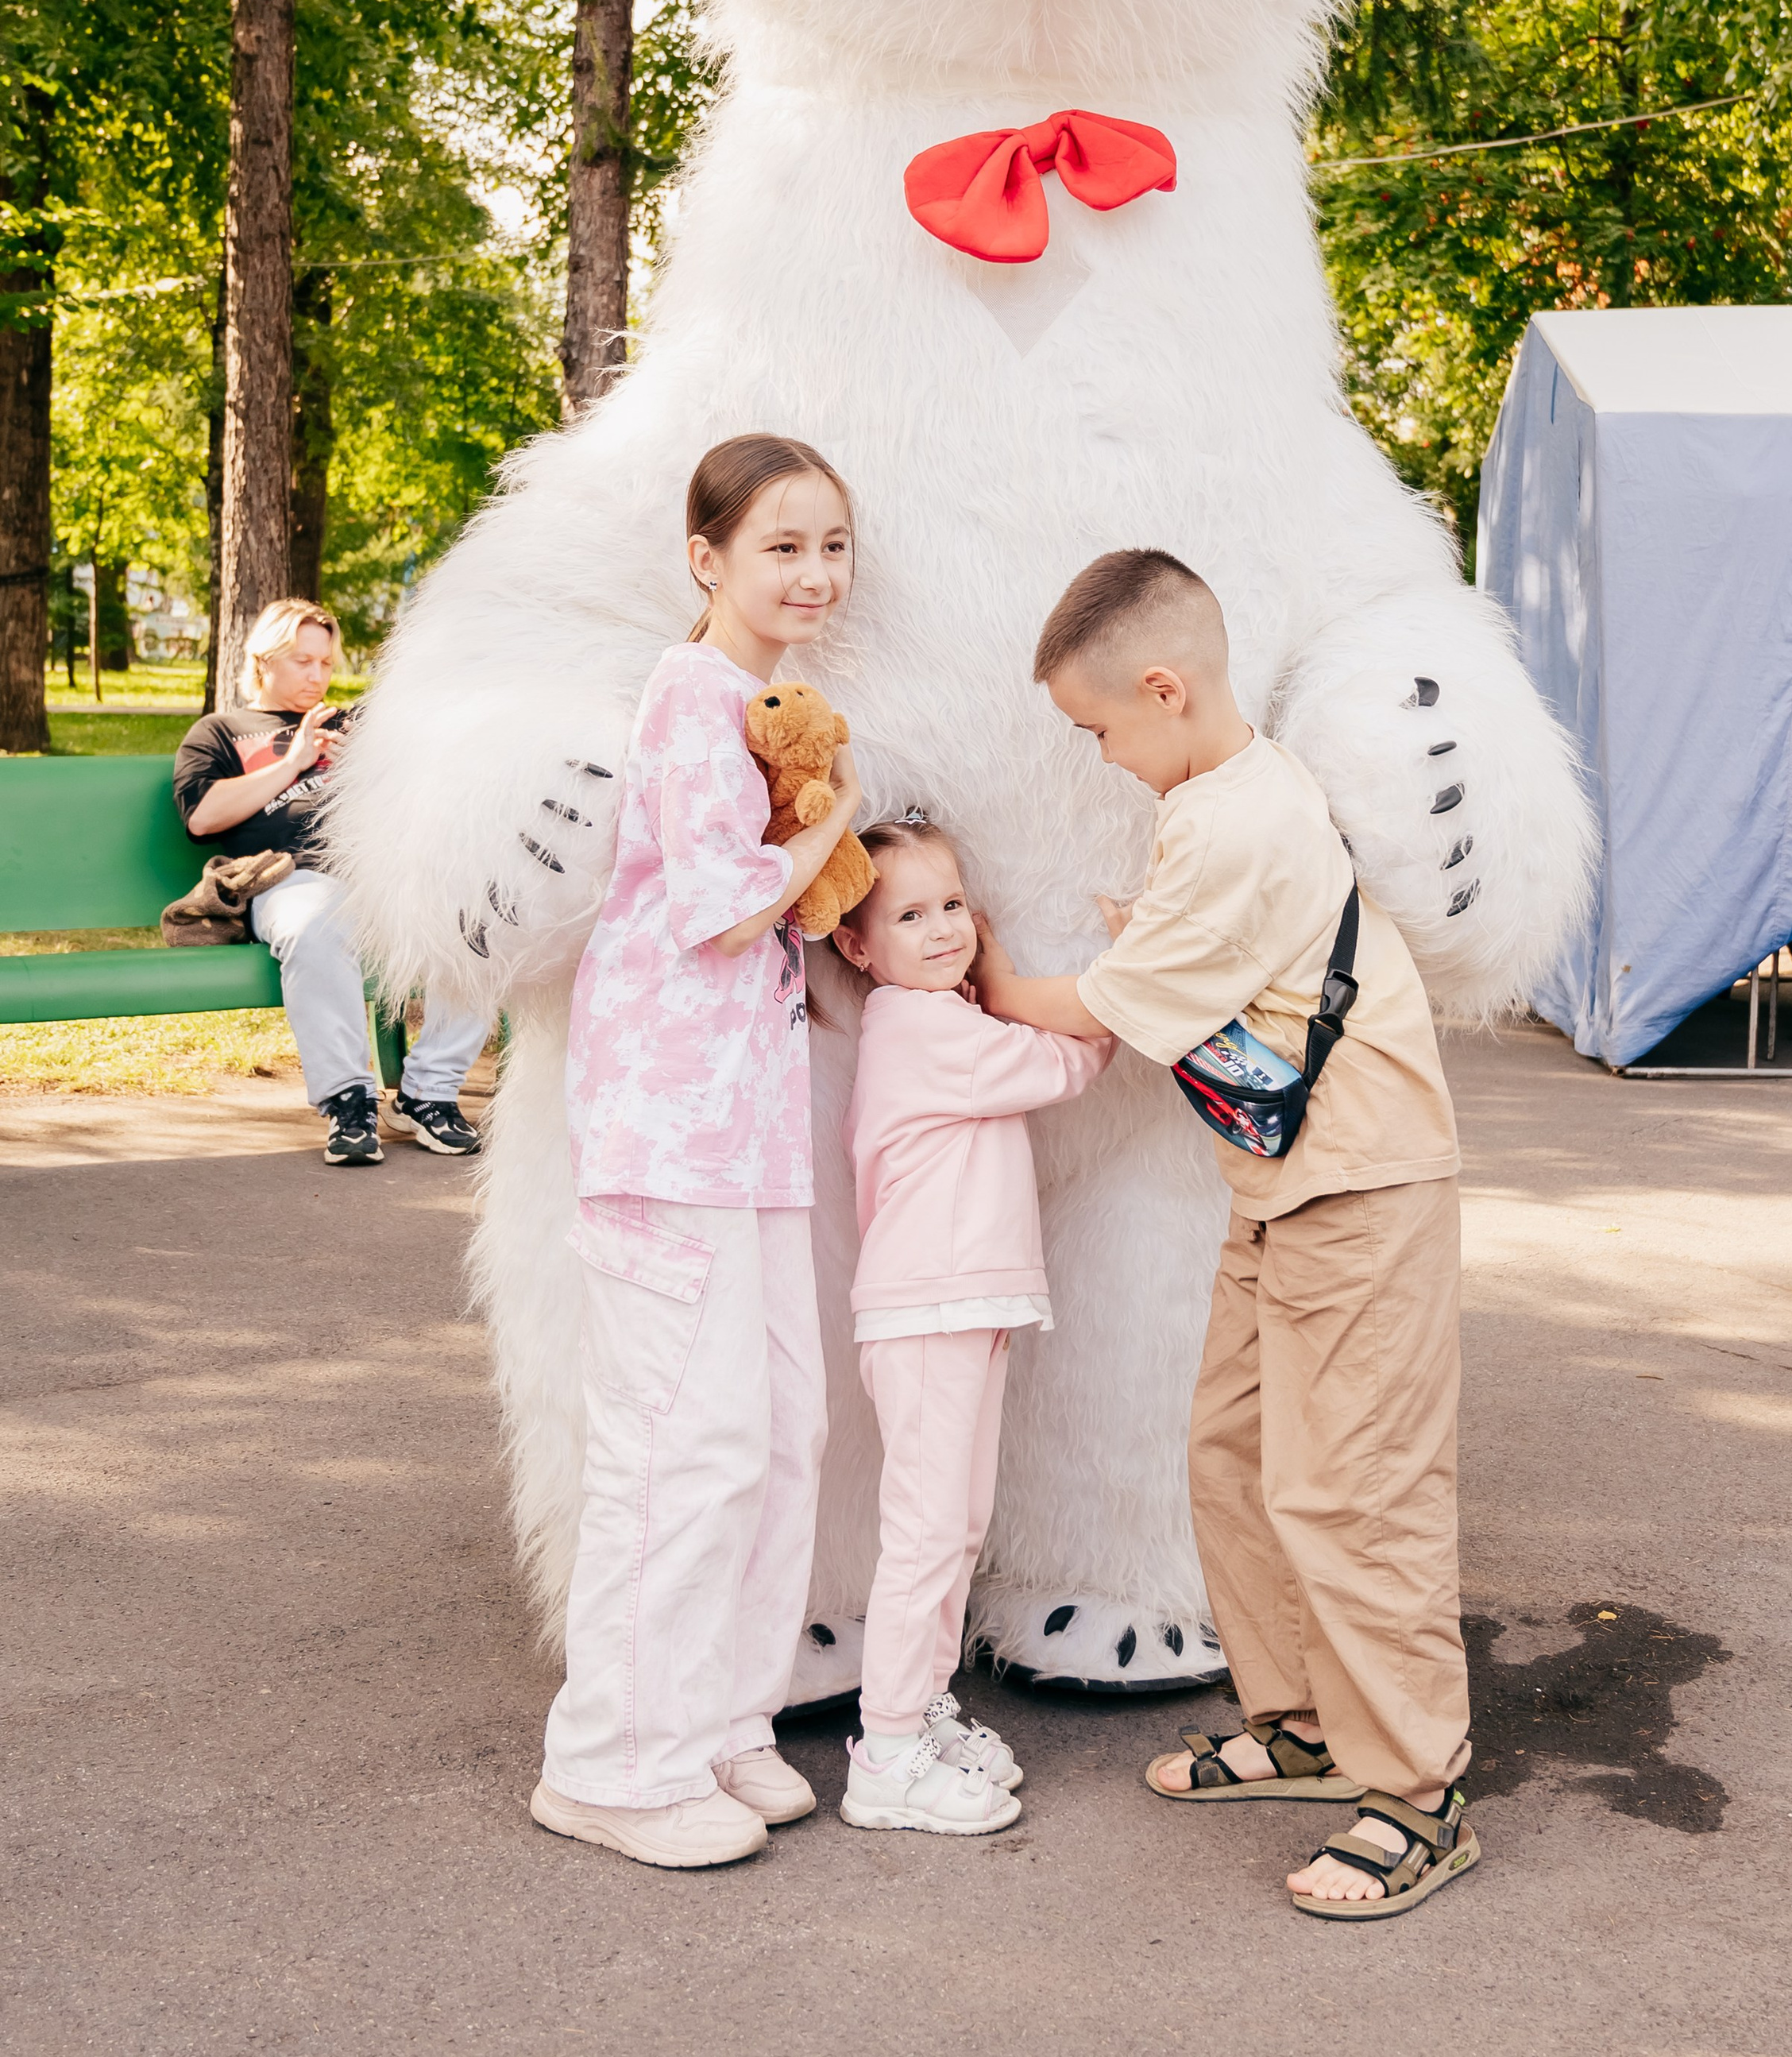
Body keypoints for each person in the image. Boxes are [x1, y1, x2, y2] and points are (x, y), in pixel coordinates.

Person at [971, 548, 1477, 1922]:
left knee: (1354, 1490)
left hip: (1359, 1186)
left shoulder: (1233, 819)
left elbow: (1104, 1008)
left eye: (1100, 731)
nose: (1104, 756)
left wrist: (977, 970)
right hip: (1292, 1183)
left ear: (1163, 686)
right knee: (1238, 1453)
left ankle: (1417, 1792)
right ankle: (1308, 1720)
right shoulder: (1227, 799)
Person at [530, 433, 863, 1874]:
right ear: (707, 557)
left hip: (748, 1133)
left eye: (834, 545)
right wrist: (831, 830)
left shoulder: (757, 703)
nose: (815, 572)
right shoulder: (689, 692)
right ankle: (613, 1758)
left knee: (782, 1430)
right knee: (682, 1441)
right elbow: (726, 905)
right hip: (670, 1127)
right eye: (784, 545)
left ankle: (722, 1717)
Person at [830, 818, 1111, 1835]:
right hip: (928, 1306)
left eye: (954, 905)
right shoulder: (919, 1024)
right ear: (859, 949)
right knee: (925, 1529)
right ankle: (889, 1751)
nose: (943, 927)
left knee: (954, 1525)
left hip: (957, 1303)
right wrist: (1024, 977)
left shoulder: (931, 1017)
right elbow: (1066, 1062)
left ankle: (920, 1705)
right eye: (910, 915)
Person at [173, 600, 491, 1168]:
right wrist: (293, 761)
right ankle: (350, 1101)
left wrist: (368, 770)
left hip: (377, 876)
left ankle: (429, 1093)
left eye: (325, 662)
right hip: (290, 879)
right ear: (264, 661)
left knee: (479, 920)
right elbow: (202, 817)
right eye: (302, 661)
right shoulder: (220, 732)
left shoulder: (352, 727)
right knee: (317, 920)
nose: (317, 675)